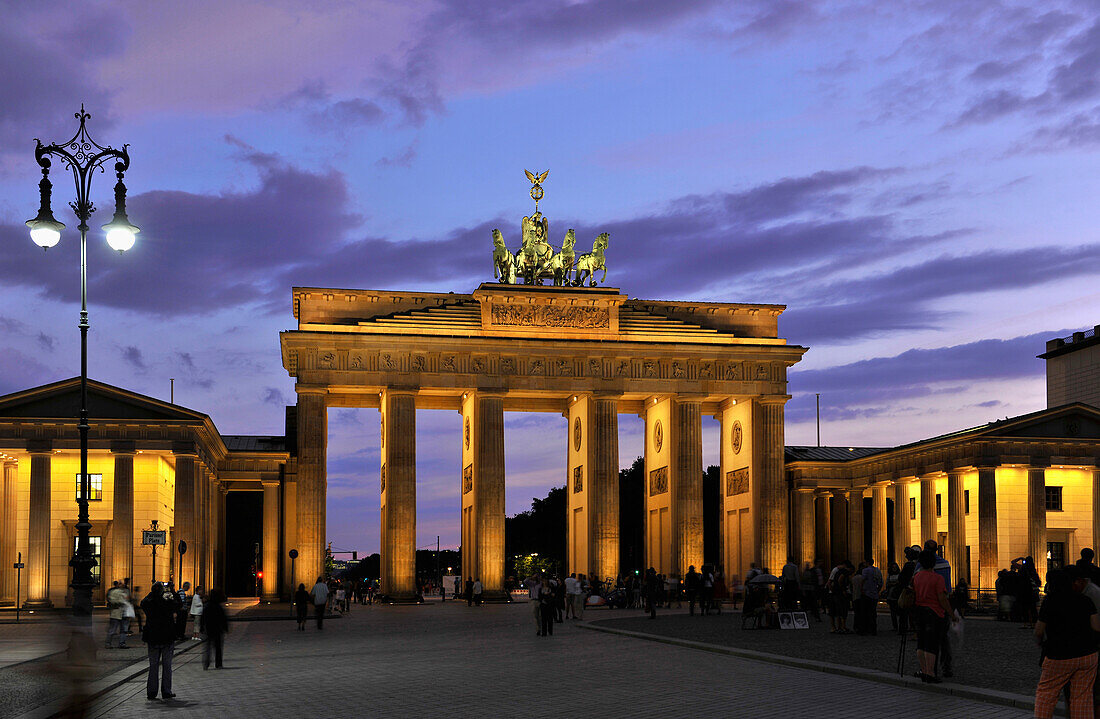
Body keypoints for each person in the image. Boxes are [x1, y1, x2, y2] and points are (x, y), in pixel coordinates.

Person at [1033, 568, 1100, 718]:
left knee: (1047, 693)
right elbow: (1096, 626)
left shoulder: (1050, 601)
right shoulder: (1085, 600)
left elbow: (1039, 630)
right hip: (1087, 654)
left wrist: (1040, 642)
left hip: (1059, 654)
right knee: (1082, 696)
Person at [913, 549, 955, 683]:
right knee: (932, 644)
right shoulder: (937, 578)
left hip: (919, 611)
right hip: (934, 613)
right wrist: (951, 614)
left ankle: (924, 670)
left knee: (921, 643)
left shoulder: (917, 577)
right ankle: (930, 673)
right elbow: (942, 599)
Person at [141, 582, 180, 701]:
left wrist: (152, 594)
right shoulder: (166, 602)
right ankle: (166, 691)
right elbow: (178, 605)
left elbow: (142, 603)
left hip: (152, 637)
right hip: (167, 636)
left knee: (153, 666)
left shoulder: (148, 602)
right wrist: (171, 592)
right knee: (167, 665)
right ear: (162, 591)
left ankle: (151, 692)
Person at [201, 589, 228, 670]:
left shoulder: (207, 606)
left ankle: (206, 663)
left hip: (208, 629)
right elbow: (223, 618)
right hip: (217, 629)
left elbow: (203, 618)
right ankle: (218, 664)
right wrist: (225, 628)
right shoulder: (218, 606)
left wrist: (201, 627)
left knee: (207, 647)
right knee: (218, 647)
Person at [860, 557, 883, 636]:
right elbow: (880, 582)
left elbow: (863, 580)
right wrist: (877, 590)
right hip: (874, 594)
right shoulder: (877, 570)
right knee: (873, 612)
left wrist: (861, 589)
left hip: (867, 593)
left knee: (865, 612)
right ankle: (873, 629)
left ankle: (866, 629)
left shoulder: (865, 570)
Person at [106, 581, 131, 649]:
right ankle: (120, 643)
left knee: (116, 629)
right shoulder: (118, 592)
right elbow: (114, 601)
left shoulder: (115, 592)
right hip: (119, 613)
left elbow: (111, 600)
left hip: (118, 613)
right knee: (118, 629)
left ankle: (111, 643)